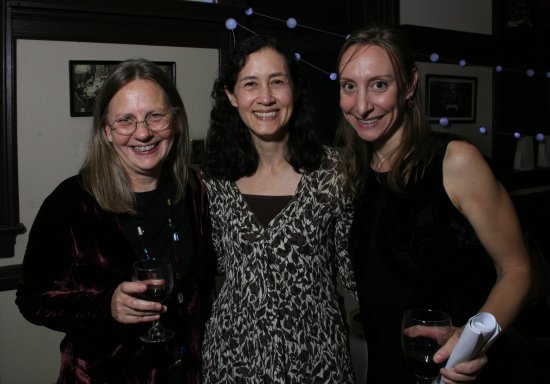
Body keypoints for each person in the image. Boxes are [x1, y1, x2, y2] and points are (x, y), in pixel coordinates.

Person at [336, 24, 533, 384]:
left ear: (409, 84)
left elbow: (518, 269)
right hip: (386, 372)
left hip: (452, 373)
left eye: (380, 84)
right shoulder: (356, 171)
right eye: (349, 86)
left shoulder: (455, 161)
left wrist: (474, 338)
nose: (361, 106)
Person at [16, 58, 216, 383]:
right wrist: (105, 304)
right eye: (125, 120)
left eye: (155, 115)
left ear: (176, 121)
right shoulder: (70, 202)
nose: (143, 132)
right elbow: (31, 299)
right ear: (107, 132)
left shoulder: (196, 192)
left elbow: (204, 292)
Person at [200, 34, 356, 383]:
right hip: (233, 358)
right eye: (250, 84)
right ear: (231, 95)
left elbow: (356, 273)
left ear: (295, 90)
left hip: (317, 359)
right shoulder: (214, 180)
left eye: (278, 82)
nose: (266, 97)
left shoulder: (337, 173)